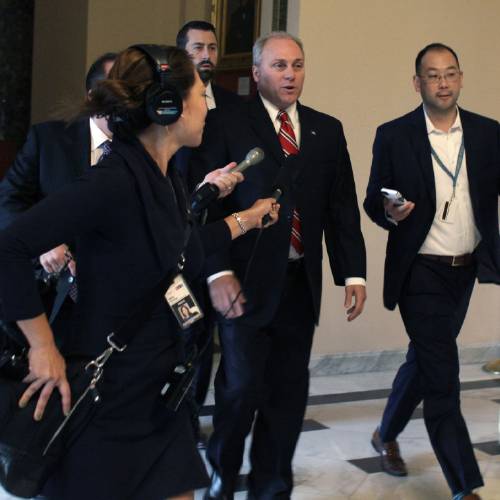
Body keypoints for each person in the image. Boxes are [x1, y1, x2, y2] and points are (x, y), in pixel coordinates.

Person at [0, 44, 279, 500]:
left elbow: (178, 251)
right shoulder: (112, 180)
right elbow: (10, 246)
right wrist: (42, 347)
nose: (206, 106)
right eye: (198, 97)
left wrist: (242, 220)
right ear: (167, 108)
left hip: (156, 391)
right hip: (106, 400)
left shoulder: (164, 174)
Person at [202, 32, 367, 499]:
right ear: (256, 73)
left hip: (299, 283)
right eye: (278, 65)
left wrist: (352, 272)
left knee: (288, 394)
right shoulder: (226, 125)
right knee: (241, 388)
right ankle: (223, 473)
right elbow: (206, 207)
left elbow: (340, 207)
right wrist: (216, 271)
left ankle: (272, 487)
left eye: (296, 65)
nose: (290, 74)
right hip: (244, 283)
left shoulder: (325, 129)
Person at [364, 43, 500, 500]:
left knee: (425, 362)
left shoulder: (487, 133)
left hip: (464, 269)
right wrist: (389, 211)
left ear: (460, 78)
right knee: (443, 378)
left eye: (450, 74)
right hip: (418, 271)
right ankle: (465, 487)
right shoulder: (394, 134)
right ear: (417, 82)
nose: (442, 83)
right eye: (432, 75)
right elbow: (372, 202)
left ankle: (385, 433)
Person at [0, 52, 116, 341]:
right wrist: (42, 240)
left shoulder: (144, 149)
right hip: (53, 293)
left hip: (115, 295)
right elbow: (8, 201)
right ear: (93, 96)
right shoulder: (48, 140)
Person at [176, 19, 243, 449]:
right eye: (197, 47)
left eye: (213, 47)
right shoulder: (166, 105)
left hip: (221, 244)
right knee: (186, 336)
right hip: (176, 249)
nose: (207, 55)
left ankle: (203, 425)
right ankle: (178, 422)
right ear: (182, 54)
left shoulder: (235, 108)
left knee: (217, 345)